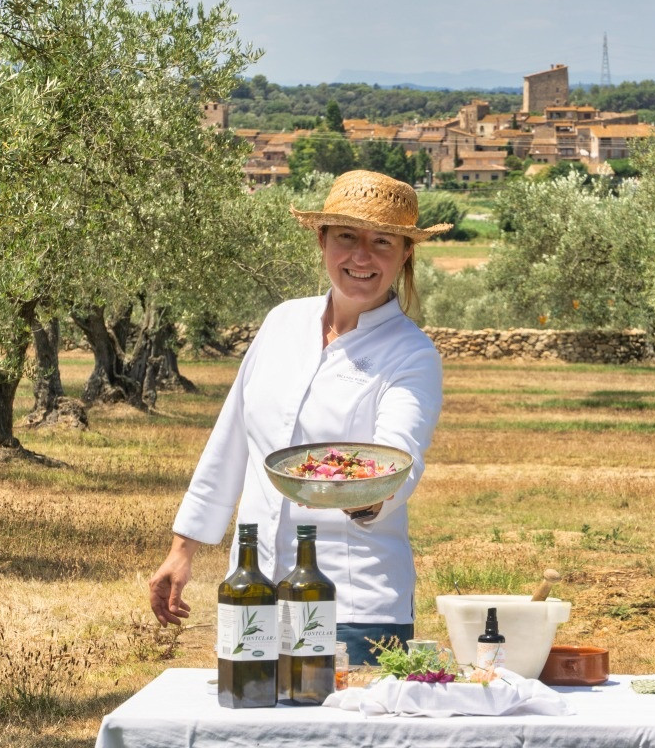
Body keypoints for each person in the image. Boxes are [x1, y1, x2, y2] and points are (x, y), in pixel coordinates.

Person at [148, 170, 450, 666]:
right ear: (322, 239)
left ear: (404, 254)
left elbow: (401, 455)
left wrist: (368, 497)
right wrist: (183, 549)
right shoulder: (282, 321)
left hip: (352, 599)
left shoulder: (412, 353)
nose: (361, 257)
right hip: (254, 586)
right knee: (250, 728)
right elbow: (231, 443)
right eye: (347, 237)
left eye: (382, 242)